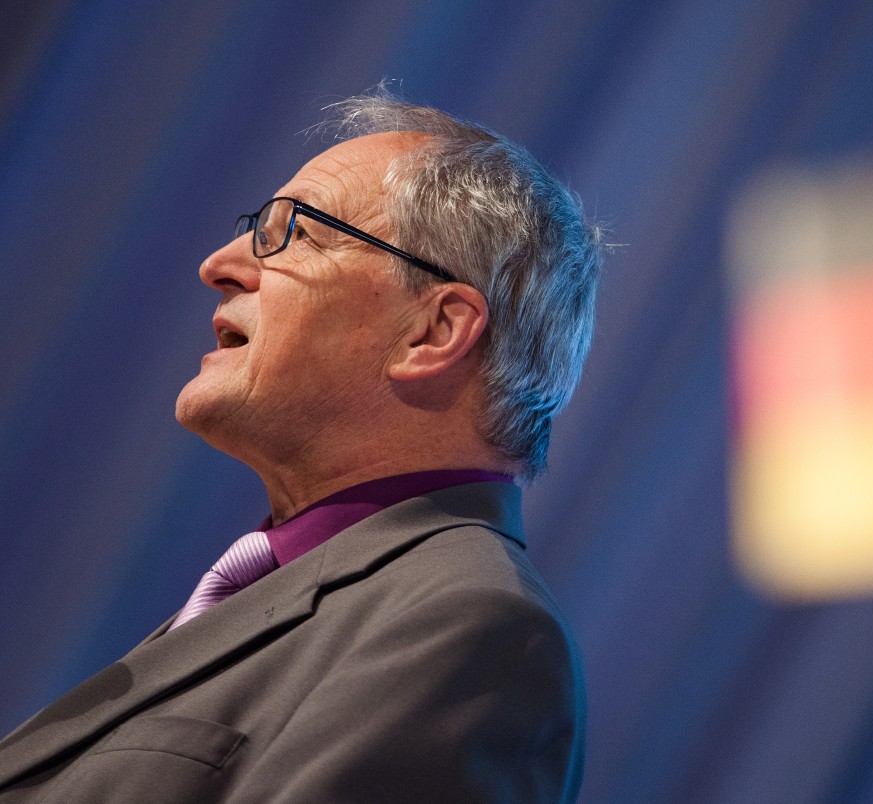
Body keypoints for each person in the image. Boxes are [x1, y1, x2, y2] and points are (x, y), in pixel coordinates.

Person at [0, 92, 600, 803]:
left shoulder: (473, 630)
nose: (218, 264)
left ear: (433, 332)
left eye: (295, 233)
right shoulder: (288, 592)